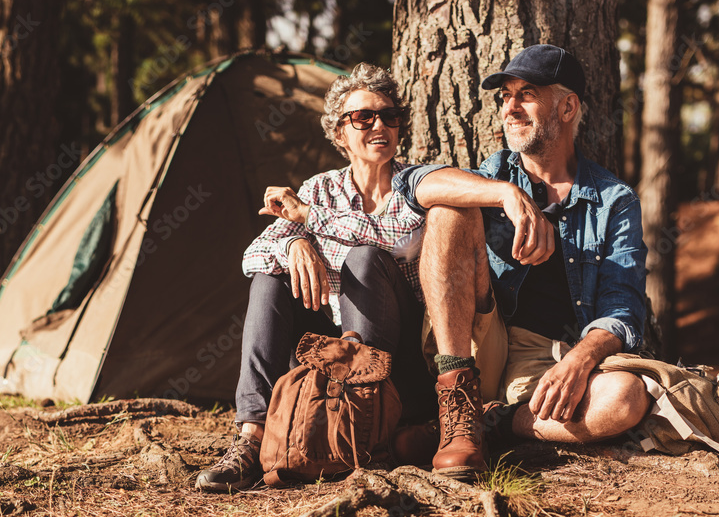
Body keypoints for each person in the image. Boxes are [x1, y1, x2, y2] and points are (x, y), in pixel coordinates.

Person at [196, 62, 502, 491]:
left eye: (389, 116)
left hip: (399, 365)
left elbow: (388, 239)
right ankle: (252, 437)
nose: (380, 125)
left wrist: (310, 220)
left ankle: (363, 428)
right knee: (269, 280)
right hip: (333, 354)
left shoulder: (412, 186)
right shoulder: (321, 188)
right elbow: (253, 255)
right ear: (340, 133)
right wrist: (292, 244)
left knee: (363, 259)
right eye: (363, 117)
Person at [394, 43, 651, 449]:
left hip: (550, 355)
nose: (509, 108)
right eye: (505, 96)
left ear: (567, 108)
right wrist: (506, 195)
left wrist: (580, 360)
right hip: (479, 338)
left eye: (526, 95)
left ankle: (494, 422)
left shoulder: (614, 199)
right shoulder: (495, 173)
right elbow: (410, 183)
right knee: (448, 211)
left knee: (623, 399)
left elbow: (623, 306)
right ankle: (458, 405)